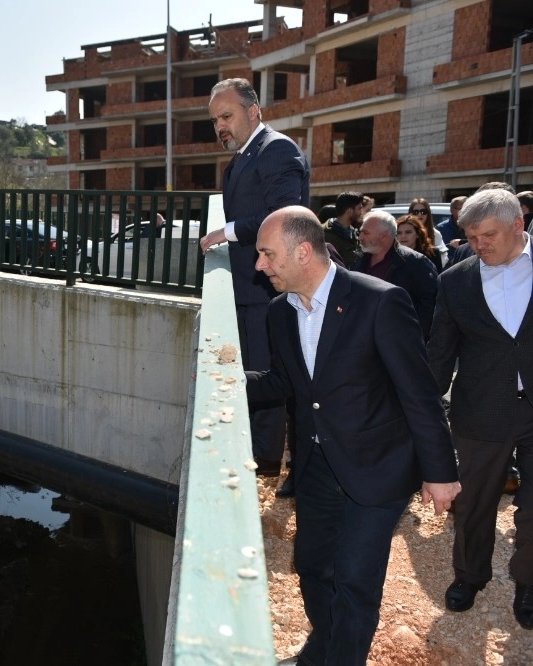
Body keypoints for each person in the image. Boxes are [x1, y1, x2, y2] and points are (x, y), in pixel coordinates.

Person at [246, 206, 459, 665]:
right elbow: (287, 381)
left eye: (267, 254)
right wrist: (228, 382)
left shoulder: (380, 301)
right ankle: (326, 641)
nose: (259, 265)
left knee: (356, 581)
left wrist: (440, 472)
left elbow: (419, 393)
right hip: (317, 466)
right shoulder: (279, 312)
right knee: (311, 566)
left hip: (378, 467)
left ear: (303, 252)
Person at [427, 187, 533, 630]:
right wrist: (418, 409)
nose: (479, 245)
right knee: (472, 504)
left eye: (487, 235)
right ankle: (470, 576)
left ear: (518, 226)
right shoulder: (455, 280)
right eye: (471, 237)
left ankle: (528, 583)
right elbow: (440, 354)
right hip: (479, 412)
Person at [199, 77, 310, 477]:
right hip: (247, 288)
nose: (220, 127)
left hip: (270, 287)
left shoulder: (276, 149)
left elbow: (285, 213)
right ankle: (258, 453)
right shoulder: (242, 157)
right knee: (251, 370)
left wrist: (225, 233)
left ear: (254, 111)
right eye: (215, 120)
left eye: (226, 116)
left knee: (266, 373)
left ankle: (264, 461)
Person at [351, 211, 438, 339]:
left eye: (366, 233)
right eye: (360, 232)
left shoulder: (415, 263)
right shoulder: (358, 260)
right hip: (364, 340)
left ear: (384, 235)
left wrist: (415, 338)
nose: (360, 237)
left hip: (399, 340)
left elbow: (430, 304)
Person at [321, 191, 365, 267]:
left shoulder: (355, 235)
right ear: (350, 211)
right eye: (359, 209)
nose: (361, 213)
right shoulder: (325, 236)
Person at [407, 198, 448, 270]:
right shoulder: (403, 231)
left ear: (428, 214)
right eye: (415, 212)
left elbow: (443, 258)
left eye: (423, 212)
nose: (419, 215)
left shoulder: (435, 233)